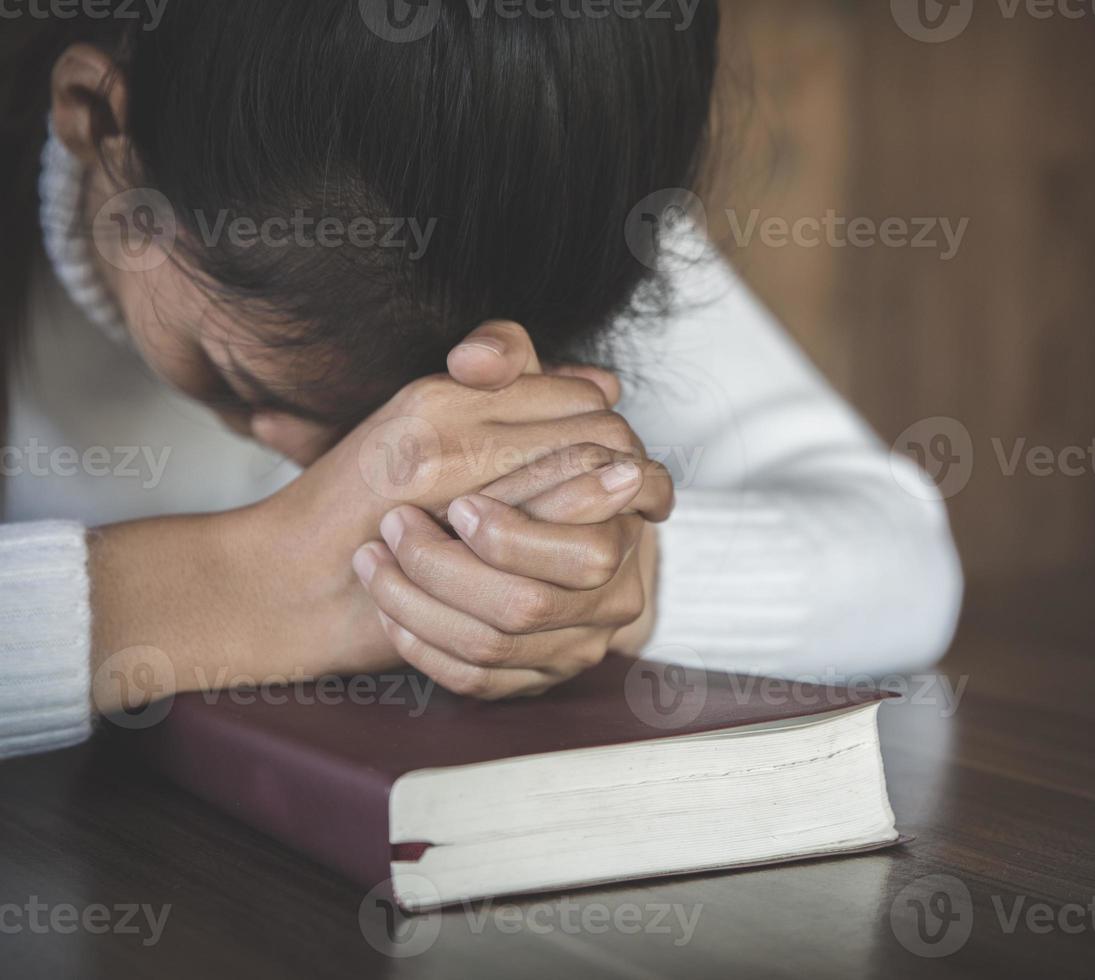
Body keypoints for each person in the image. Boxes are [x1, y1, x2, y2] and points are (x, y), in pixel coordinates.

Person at [0, 1, 963, 761]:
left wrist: (608, 575)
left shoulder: (531, 201)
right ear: (99, 122)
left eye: (379, 416)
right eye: (234, 373)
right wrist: (244, 585)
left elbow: (905, 560)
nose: (314, 468)